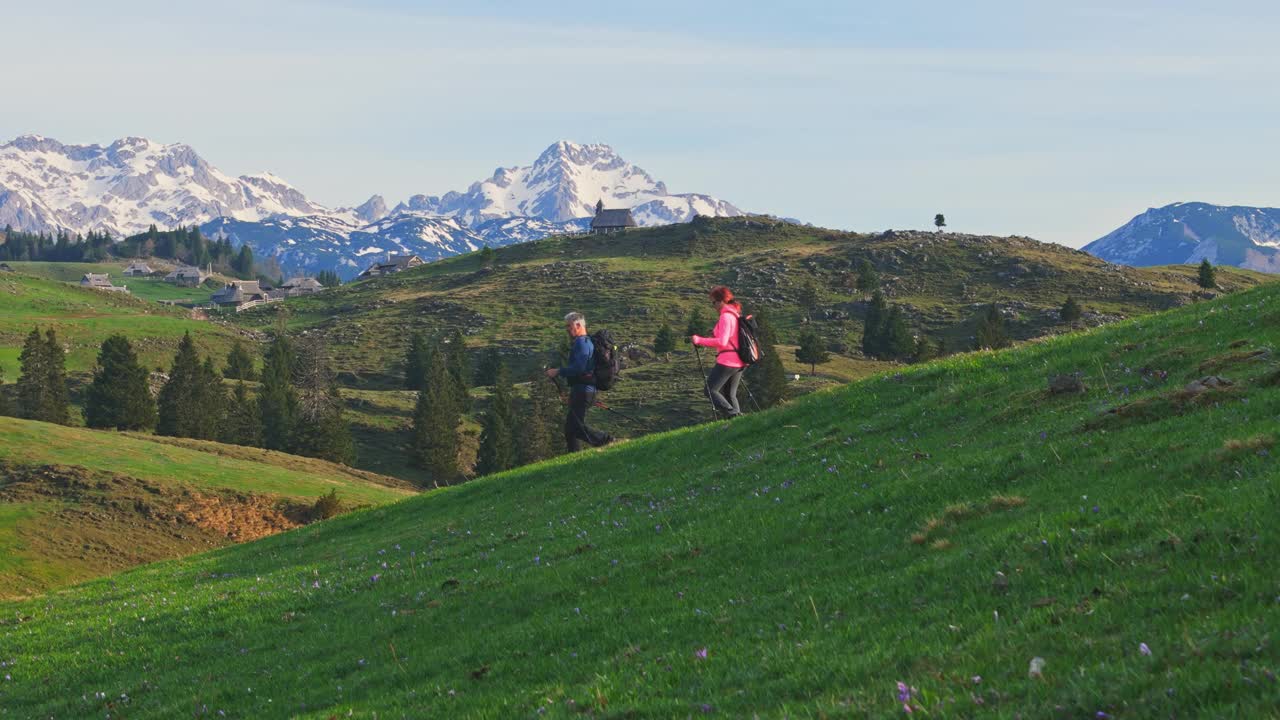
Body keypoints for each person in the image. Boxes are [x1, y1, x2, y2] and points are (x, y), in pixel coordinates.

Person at [545, 312, 614, 452]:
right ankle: (573, 458)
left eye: (569, 326)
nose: (567, 330)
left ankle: (605, 440)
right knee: (571, 428)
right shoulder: (586, 342)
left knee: (574, 427)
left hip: (583, 391)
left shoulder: (582, 343)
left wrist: (558, 371)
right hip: (584, 390)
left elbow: (579, 368)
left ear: (578, 325)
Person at [691, 286, 745, 418]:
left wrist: (699, 340)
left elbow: (722, 342)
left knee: (710, 390)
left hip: (727, 360)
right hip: (740, 361)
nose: (713, 306)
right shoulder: (735, 315)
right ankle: (738, 423)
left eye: (714, 302)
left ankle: (735, 415)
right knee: (730, 394)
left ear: (721, 301)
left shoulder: (726, 316)